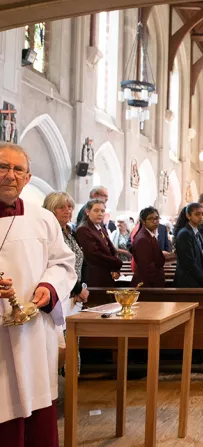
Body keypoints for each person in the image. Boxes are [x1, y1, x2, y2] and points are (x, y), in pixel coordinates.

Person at [0, 143, 77, 447]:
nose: (10, 175)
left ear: (28, 178)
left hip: (30, 331)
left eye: (18, 169)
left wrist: (48, 289)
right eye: (3, 167)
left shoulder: (43, 220)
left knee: (36, 404)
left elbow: (63, 263)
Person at [43, 192, 88, 314]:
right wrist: (78, 289)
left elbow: (81, 260)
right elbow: (58, 264)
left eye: (70, 207)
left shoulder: (71, 232)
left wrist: (82, 287)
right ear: (51, 210)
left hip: (74, 293)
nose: (67, 211)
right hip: (57, 292)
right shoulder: (48, 233)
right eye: (61, 207)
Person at [76, 199, 122, 287]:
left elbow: (111, 249)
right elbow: (94, 255)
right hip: (94, 277)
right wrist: (116, 262)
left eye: (102, 211)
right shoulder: (84, 229)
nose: (100, 213)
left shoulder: (101, 227)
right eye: (96, 210)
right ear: (87, 212)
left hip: (106, 274)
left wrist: (115, 268)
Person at [174, 203, 203, 288]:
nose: (201, 217)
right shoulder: (184, 234)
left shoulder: (196, 232)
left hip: (196, 280)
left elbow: (202, 258)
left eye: (202, 214)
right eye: (197, 214)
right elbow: (189, 262)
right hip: (188, 282)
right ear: (188, 216)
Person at [130, 207, 166, 287]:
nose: (155, 221)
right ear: (143, 221)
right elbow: (146, 267)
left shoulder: (148, 234)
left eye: (157, 218)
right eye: (150, 219)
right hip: (147, 284)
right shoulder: (143, 239)